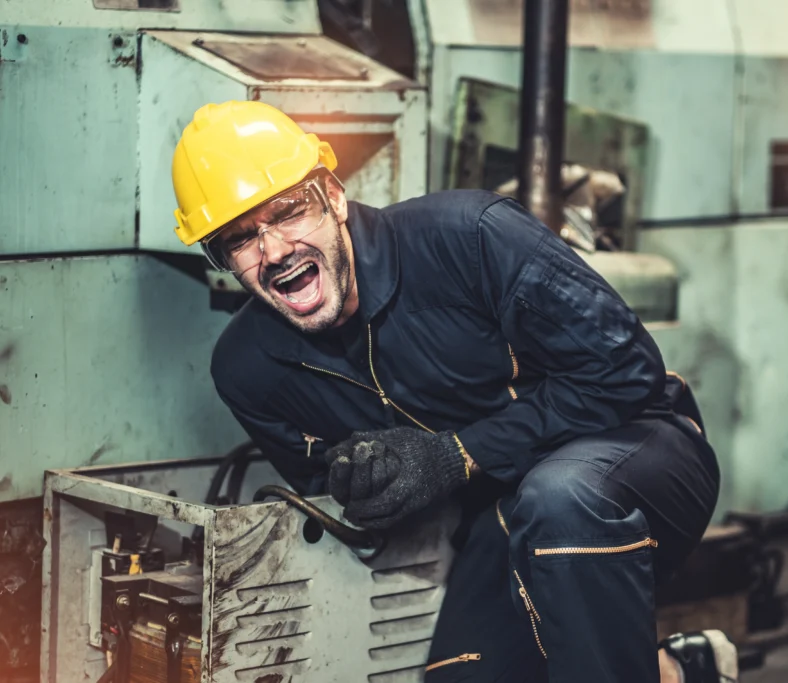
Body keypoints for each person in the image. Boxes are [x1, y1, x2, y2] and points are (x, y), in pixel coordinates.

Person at [171, 100, 728, 683]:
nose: (274, 250)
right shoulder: (248, 370)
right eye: (239, 239)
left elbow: (625, 371)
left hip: (638, 454)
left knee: (560, 499)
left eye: (287, 212)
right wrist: (362, 482)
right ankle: (678, 671)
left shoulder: (470, 236)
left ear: (333, 195)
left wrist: (456, 454)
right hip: (496, 515)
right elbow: (326, 492)